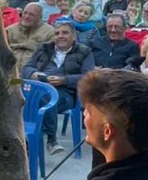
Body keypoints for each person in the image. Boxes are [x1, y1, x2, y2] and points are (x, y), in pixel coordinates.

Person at [21, 21, 95, 155]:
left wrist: (64, 80)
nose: (60, 36)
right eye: (57, 33)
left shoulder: (84, 51)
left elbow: (88, 76)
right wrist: (33, 74)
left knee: (45, 99)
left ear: (74, 35)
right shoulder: (44, 48)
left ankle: (49, 139)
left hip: (65, 92)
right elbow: (26, 67)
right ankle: (30, 137)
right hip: (41, 87)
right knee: (17, 96)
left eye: (65, 33)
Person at [6, 3, 55, 76]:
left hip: (33, 75)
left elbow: (51, 57)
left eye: (31, 14)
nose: (26, 16)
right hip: (9, 74)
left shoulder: (50, 32)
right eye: (25, 13)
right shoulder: (10, 30)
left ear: (40, 17)